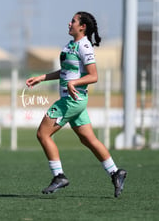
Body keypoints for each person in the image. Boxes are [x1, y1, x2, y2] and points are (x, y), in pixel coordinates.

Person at [25, 11, 127, 198]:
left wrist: (74, 84)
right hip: (75, 100)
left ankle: (59, 176)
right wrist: (43, 77)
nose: (69, 23)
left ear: (82, 27)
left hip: (71, 100)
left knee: (43, 134)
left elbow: (93, 76)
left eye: (73, 21)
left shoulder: (85, 46)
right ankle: (115, 172)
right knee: (87, 139)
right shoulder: (71, 45)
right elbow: (66, 72)